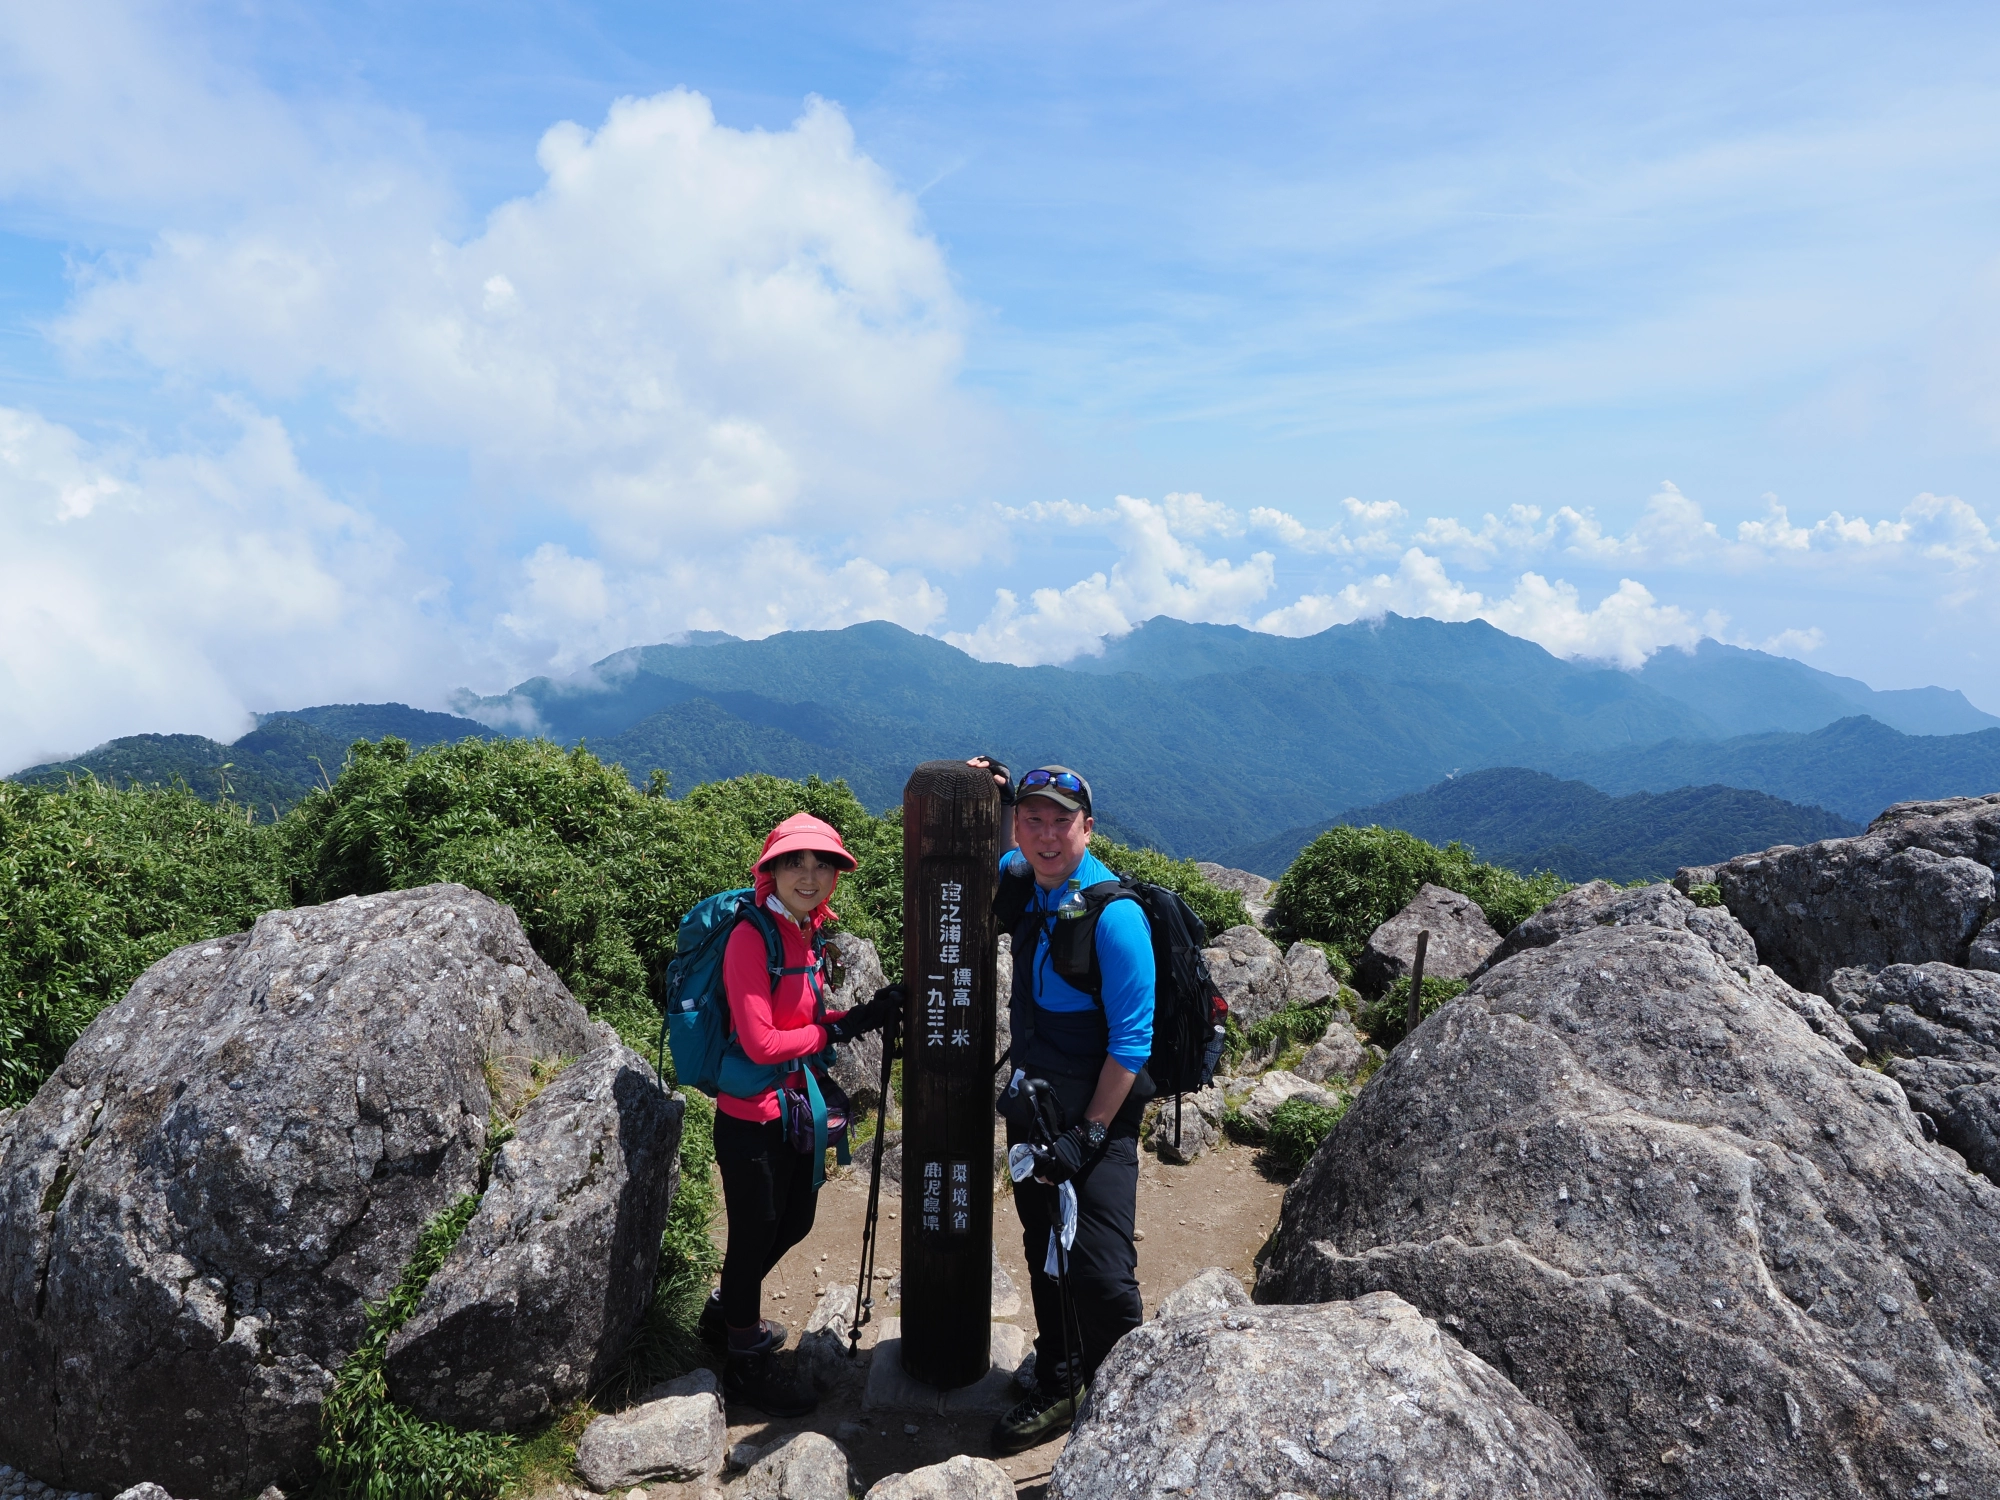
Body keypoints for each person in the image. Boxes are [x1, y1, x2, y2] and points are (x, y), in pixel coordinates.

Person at [696, 811, 902, 1417]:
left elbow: (800, 1027)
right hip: (750, 1118)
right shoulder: (749, 936)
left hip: (790, 1109)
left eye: (822, 864)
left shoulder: (803, 933)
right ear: (771, 870)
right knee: (757, 1231)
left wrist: (858, 1017)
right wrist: (822, 1035)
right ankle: (745, 1361)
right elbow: (761, 1042)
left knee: (796, 1220)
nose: (809, 875)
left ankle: (725, 1312)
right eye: (795, 862)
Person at [976, 761, 1154, 1455]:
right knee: (1043, 1245)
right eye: (1032, 820)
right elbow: (996, 846)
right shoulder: (1026, 879)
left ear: (1089, 828)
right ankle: (1059, 1374)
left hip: (1097, 1117)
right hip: (1033, 1106)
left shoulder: (1116, 917)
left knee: (1102, 1273)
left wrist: (1089, 1135)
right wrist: (982, 795)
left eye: (1062, 822)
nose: (1047, 836)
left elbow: (1133, 1043)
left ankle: (1131, 1411)